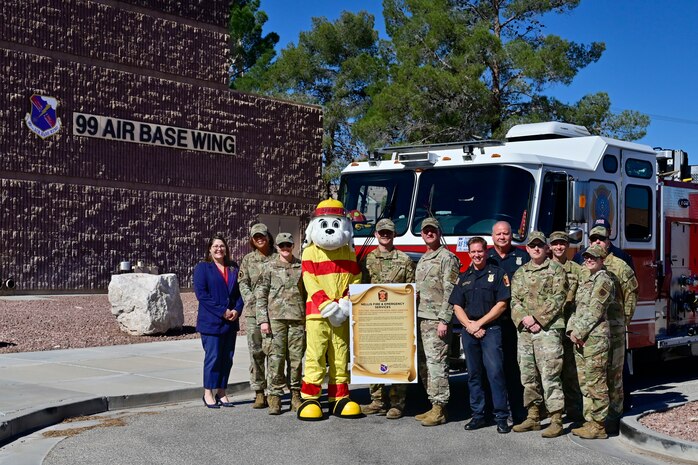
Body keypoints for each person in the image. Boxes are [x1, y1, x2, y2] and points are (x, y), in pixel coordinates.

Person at [449, 236, 511, 434]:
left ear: (486, 252)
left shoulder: (498, 273)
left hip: (491, 330)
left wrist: (480, 324)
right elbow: (457, 305)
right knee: (474, 375)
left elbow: (501, 305)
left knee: (495, 374)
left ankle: (501, 417)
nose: (476, 255)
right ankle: (478, 416)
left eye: (480, 251)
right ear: (469, 253)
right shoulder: (464, 277)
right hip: (470, 331)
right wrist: (470, 325)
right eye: (473, 252)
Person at [510, 231, 568, 438]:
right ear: (526, 249)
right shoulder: (521, 272)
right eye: (532, 246)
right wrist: (524, 318)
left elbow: (558, 298)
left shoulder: (556, 270)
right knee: (528, 375)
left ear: (546, 248)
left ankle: (556, 419)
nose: (535, 249)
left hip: (548, 329)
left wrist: (537, 319)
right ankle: (533, 416)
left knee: (550, 375)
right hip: (525, 331)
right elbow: (514, 300)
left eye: (539, 246)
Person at [359, 218, 416, 420]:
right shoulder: (367, 260)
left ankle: (397, 403)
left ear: (394, 235)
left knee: (398, 359)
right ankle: (377, 401)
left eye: (388, 233)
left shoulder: (404, 260)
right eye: (381, 232)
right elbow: (361, 288)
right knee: (374, 357)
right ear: (375, 234)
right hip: (373, 319)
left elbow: (411, 289)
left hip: (397, 320)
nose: (385, 235)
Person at [586, 225, 639, 434]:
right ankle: (594, 418)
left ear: (608, 242)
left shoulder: (621, 266)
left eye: (601, 239)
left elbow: (631, 295)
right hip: (593, 331)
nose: (597, 242)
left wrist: (624, 321)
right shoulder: (586, 266)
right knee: (595, 376)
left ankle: (614, 419)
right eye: (594, 239)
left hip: (615, 329)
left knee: (615, 376)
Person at [567, 244, 617, 439]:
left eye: (593, 258)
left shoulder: (604, 280)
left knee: (596, 381)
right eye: (587, 257)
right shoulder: (586, 279)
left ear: (602, 260)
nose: (589, 260)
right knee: (585, 381)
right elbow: (578, 308)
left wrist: (578, 331)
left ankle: (599, 425)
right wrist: (572, 330)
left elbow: (596, 310)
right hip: (581, 337)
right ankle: (589, 421)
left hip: (595, 337)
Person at [414, 217, 461, 427]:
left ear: (439, 233)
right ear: (422, 234)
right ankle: (432, 403)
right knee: (425, 364)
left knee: (437, 364)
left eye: (433, 230)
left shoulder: (447, 257)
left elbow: (451, 291)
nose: (429, 233)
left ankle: (440, 408)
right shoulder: (424, 259)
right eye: (426, 231)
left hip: (437, 320)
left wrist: (444, 319)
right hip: (422, 318)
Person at [255, 232, 305, 415]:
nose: (285, 248)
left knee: (296, 359)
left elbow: (307, 293)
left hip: (297, 319)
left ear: (293, 246)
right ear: (276, 247)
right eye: (282, 245)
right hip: (275, 320)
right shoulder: (269, 267)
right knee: (275, 358)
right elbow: (260, 295)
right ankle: (274, 396)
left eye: (288, 245)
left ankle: (295, 395)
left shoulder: (301, 266)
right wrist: (262, 320)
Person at [193, 234, 244, 409]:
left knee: (227, 358)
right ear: (209, 249)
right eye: (215, 246)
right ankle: (208, 392)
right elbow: (202, 295)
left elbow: (240, 292)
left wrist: (237, 309)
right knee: (213, 358)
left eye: (222, 246)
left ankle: (221, 392)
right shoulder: (202, 268)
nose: (219, 249)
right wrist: (222, 311)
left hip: (230, 322)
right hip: (212, 322)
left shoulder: (233, 268)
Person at [486, 221, 529, 423]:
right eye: (498, 234)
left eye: (506, 233)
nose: (502, 237)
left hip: (515, 322)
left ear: (512, 235)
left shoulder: (522, 257)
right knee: (492, 368)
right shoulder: (485, 257)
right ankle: (491, 411)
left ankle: (518, 411)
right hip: (491, 322)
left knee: (514, 368)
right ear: (492, 236)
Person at [239, 223, 277, 409]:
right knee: (256, 353)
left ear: (268, 236)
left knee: (274, 353)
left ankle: (273, 392)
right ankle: (259, 392)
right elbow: (242, 282)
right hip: (254, 314)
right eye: (256, 237)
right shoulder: (248, 260)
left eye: (262, 235)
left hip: (276, 313)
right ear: (252, 240)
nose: (259, 239)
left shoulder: (278, 257)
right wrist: (250, 299)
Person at [549, 231, 584, 421]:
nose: (559, 247)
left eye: (562, 244)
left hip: (570, 325)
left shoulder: (577, 270)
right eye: (555, 244)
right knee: (551, 369)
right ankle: (553, 408)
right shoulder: (544, 268)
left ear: (568, 246)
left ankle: (573, 409)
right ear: (550, 246)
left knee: (571, 370)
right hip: (551, 326)